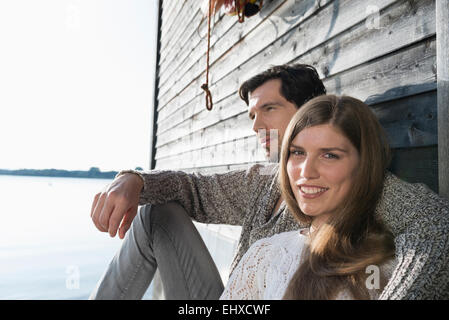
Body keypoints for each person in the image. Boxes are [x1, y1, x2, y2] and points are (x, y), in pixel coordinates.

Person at [89, 64, 449, 300]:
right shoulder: (262, 181)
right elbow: (192, 190)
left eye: (269, 109)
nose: (256, 126)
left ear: (311, 108)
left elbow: (433, 224)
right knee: (156, 215)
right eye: (252, 114)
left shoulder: (352, 180)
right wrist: (134, 178)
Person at [220, 95, 398, 299]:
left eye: (329, 155)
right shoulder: (264, 254)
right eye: (297, 153)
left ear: (363, 165)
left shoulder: (394, 266)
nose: (306, 172)